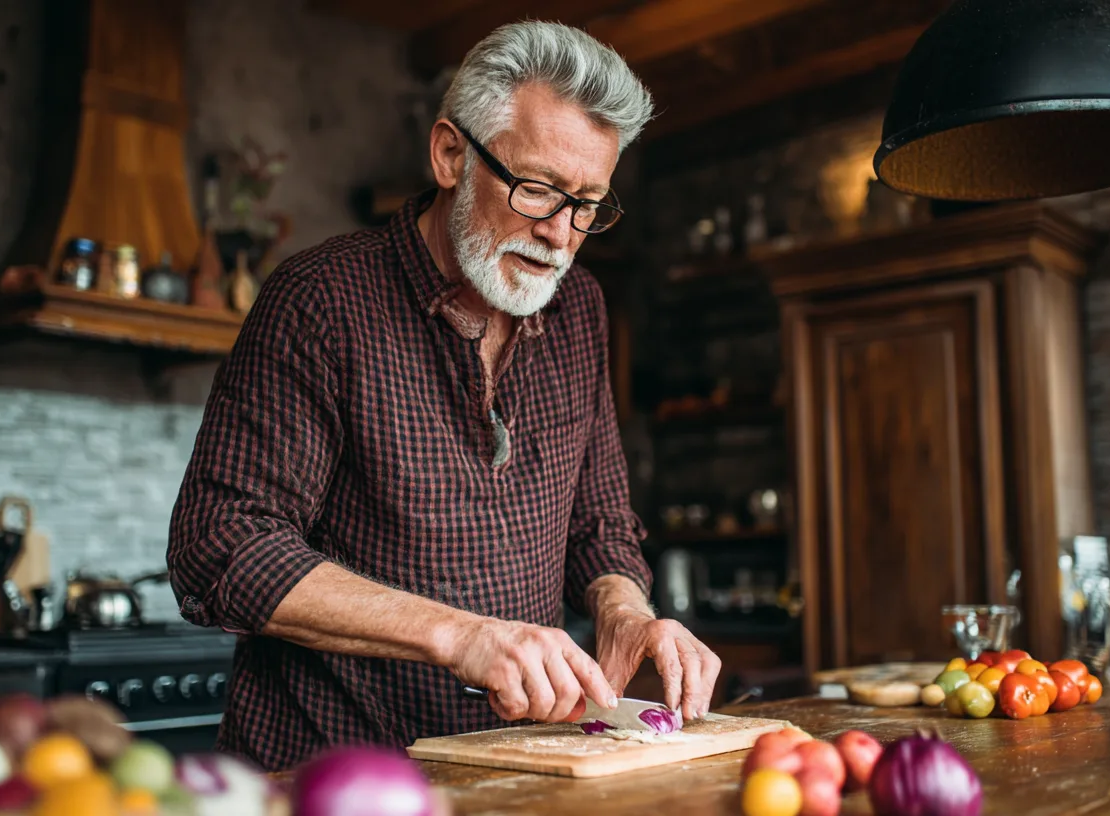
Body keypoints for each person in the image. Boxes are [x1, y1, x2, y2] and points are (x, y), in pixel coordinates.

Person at [167, 19, 721, 771]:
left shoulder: (581, 308)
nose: (561, 234)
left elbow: (598, 521)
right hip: (328, 776)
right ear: (451, 154)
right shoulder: (320, 300)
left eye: (588, 204)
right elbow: (220, 546)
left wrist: (625, 612)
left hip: (510, 772)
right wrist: (463, 636)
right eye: (537, 190)